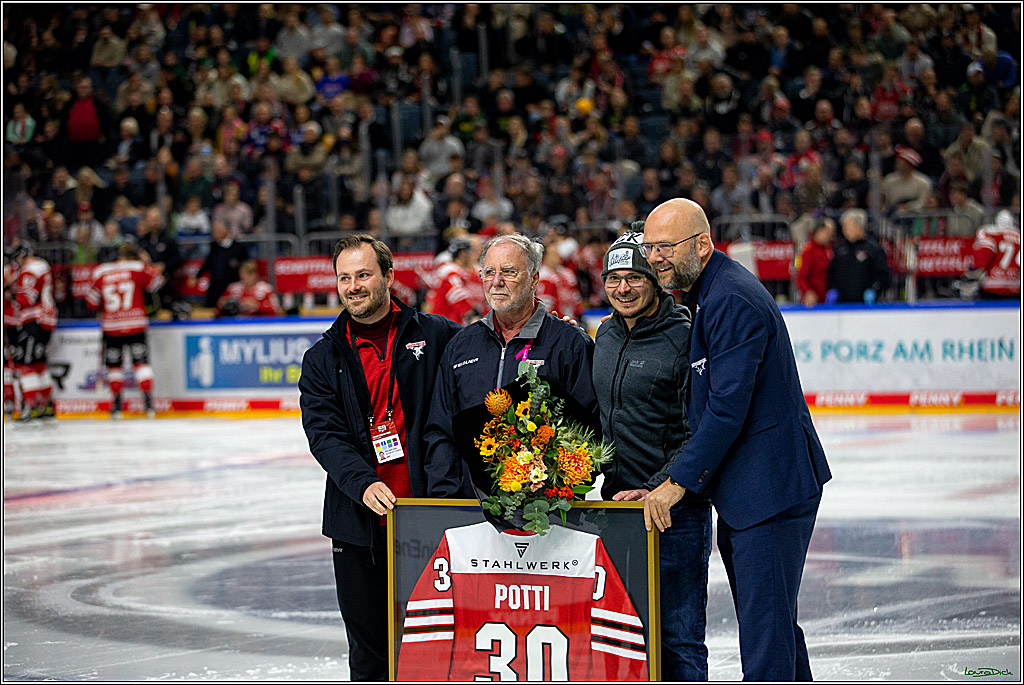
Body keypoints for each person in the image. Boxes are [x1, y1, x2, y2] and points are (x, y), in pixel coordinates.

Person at [640, 198, 831, 681]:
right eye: (649, 246)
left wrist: (675, 483)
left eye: (665, 246)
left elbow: (727, 410)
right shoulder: (709, 292)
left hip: (769, 492)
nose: (654, 257)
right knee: (774, 627)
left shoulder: (729, 299)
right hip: (756, 490)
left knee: (765, 638)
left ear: (702, 245)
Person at [298, 234, 461, 682]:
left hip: (432, 519)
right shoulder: (321, 358)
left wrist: (539, 337)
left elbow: (487, 364)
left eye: (363, 274)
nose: (353, 286)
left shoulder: (436, 334)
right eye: (344, 277)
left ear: (389, 276)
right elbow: (324, 435)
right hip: (359, 525)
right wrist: (363, 482)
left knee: (440, 649)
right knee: (370, 657)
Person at [591, 230, 712, 681]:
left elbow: (698, 428)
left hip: (674, 512)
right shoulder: (604, 333)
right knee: (624, 635)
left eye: (634, 278)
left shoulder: (685, 338)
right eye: (614, 278)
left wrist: (660, 485)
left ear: (656, 281)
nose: (623, 288)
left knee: (678, 640)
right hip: (617, 509)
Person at [424, 233, 598, 498]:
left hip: (547, 513)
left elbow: (588, 432)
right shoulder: (460, 347)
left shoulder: (570, 344)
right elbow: (441, 430)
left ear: (534, 279)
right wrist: (446, 500)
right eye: (489, 272)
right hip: (470, 513)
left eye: (508, 271)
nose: (496, 282)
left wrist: (555, 496)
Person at [85, 243, 164, 419]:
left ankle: (117, 406)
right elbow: (157, 282)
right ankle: (149, 405)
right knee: (141, 364)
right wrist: (147, 263)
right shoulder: (136, 267)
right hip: (135, 323)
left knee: (114, 367)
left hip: (112, 327)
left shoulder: (99, 272)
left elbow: (91, 302)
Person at [10, 243, 57, 421]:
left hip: (34, 321)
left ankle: (31, 407)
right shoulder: (41, 266)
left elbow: (26, 299)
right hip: (45, 320)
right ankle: (47, 405)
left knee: (25, 364)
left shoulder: (29, 271)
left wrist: (11, 291)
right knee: (39, 364)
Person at [826, 209, 891, 305]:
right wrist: (832, 288)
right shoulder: (840, 249)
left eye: (847, 226)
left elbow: (883, 275)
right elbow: (831, 272)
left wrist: (874, 290)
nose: (844, 230)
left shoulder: (873, 249)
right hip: (842, 305)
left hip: (865, 306)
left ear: (858, 227)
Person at [426, 237, 486, 325]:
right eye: (473, 251)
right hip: (448, 324)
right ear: (462, 254)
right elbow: (457, 297)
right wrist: (473, 314)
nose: (477, 254)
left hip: (468, 323)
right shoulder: (448, 271)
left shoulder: (476, 270)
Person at [963, 209, 1021, 300]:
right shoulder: (1019, 236)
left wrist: (973, 274)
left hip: (994, 285)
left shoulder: (990, 233)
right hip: (1017, 286)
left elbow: (983, 257)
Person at [216, 260, 282, 317]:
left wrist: (257, 306)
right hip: (236, 324)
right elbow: (219, 307)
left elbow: (275, 310)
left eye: (248, 274)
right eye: (242, 274)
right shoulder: (233, 288)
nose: (245, 277)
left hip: (258, 323)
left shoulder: (266, 289)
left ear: (255, 275)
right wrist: (225, 303)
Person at [797, 219, 836, 306]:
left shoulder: (829, 250)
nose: (831, 236)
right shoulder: (808, 251)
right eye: (828, 232)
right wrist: (807, 292)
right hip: (813, 301)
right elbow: (801, 277)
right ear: (820, 231)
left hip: (827, 300)